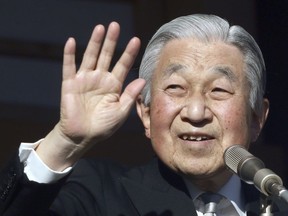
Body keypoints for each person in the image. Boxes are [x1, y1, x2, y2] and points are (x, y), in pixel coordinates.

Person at [0, 14, 287, 215]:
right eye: (176, 87)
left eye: (219, 90)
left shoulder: (278, 204)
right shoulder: (97, 193)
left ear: (256, 118)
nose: (196, 112)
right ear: (146, 114)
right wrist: (65, 141)